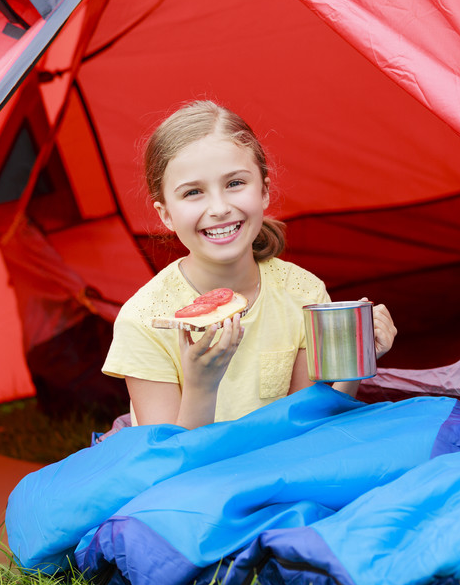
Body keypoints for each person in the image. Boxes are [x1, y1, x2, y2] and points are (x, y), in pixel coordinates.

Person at [102, 100, 397, 429]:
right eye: (193, 192)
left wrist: (355, 359)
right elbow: (167, 454)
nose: (219, 208)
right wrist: (201, 386)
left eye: (234, 184)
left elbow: (305, 425)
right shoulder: (144, 319)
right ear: (166, 214)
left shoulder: (304, 294)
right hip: (188, 461)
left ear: (264, 192)